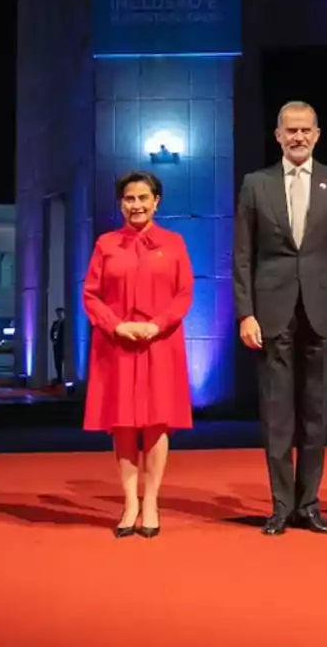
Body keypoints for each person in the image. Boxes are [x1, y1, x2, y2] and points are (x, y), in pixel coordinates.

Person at [233, 101, 327, 536]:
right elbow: (243, 256)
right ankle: (280, 506)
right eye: (291, 130)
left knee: (315, 413)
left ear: (318, 134)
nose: (299, 137)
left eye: (306, 130)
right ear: (278, 135)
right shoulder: (256, 184)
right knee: (276, 414)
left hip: (323, 312)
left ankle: (309, 504)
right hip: (270, 312)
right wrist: (245, 312)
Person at [82, 170, 194, 539]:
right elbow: (91, 294)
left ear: (156, 201)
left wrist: (157, 324)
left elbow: (184, 294)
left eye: (144, 198)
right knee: (124, 423)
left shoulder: (173, 243)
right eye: (129, 199)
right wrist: (115, 325)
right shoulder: (106, 244)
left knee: (157, 422)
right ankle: (130, 500)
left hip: (160, 343)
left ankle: (152, 502)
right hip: (117, 345)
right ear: (121, 203)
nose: (137, 205)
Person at [49, 308, 66, 385]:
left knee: (63, 361)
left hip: (63, 344)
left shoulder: (65, 323)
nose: (59, 315)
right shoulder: (55, 323)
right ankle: (59, 377)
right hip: (56, 344)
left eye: (60, 313)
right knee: (57, 362)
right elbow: (52, 333)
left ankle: (64, 377)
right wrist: (53, 340)